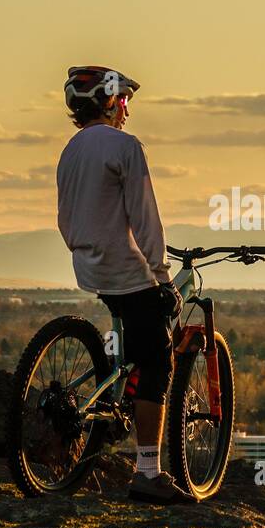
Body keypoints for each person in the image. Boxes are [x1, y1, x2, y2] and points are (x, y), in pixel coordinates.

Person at [55, 65, 194, 505]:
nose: (128, 110)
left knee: (134, 342)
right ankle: (148, 474)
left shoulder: (71, 149)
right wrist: (163, 276)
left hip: (88, 263)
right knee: (158, 363)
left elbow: (65, 217)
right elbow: (144, 216)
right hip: (125, 267)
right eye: (125, 101)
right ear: (112, 101)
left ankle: (115, 397)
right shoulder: (125, 146)